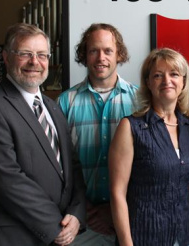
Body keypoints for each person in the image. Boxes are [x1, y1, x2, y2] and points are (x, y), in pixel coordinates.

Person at [0, 23, 86, 246]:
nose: (35, 62)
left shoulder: (53, 108)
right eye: (25, 54)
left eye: (42, 55)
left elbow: (74, 167)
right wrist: (54, 225)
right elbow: (7, 178)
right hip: (11, 237)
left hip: (54, 234)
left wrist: (77, 214)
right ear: (6, 57)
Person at [109, 48, 189, 246]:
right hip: (144, 238)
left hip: (186, 238)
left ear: (184, 82)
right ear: (148, 83)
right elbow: (117, 193)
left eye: (174, 74)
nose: (166, 80)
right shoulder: (130, 127)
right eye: (158, 75)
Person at [58, 23, 138, 245]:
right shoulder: (66, 102)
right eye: (93, 51)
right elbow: (58, 167)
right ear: (84, 55)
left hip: (131, 219)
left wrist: (116, 210)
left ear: (119, 54)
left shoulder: (140, 101)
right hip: (84, 222)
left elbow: (148, 161)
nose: (100, 57)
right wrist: (87, 210)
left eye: (108, 51)